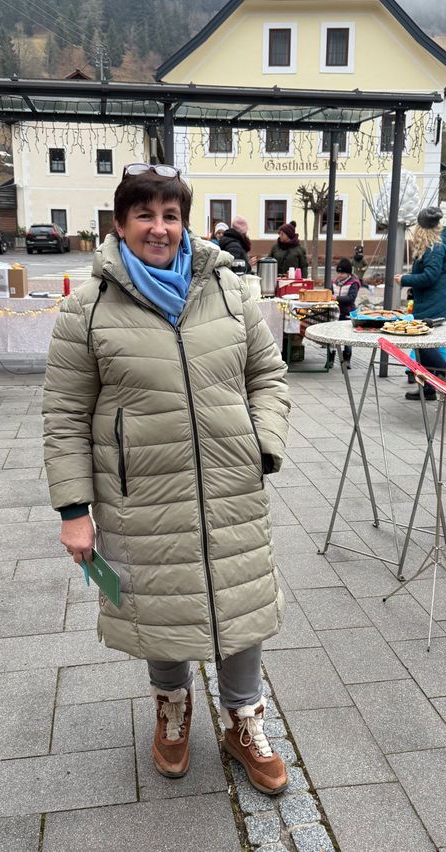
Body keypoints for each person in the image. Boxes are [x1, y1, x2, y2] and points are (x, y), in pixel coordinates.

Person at [42, 163, 291, 795]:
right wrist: (75, 510)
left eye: (171, 215)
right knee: (161, 602)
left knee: (238, 597)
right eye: (145, 215)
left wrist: (262, 444)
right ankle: (173, 709)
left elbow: (268, 373)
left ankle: (244, 720)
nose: (160, 228)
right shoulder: (88, 307)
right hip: (140, 491)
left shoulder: (230, 290)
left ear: (186, 222)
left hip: (230, 482)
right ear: (121, 225)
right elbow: (66, 413)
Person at [393, 207, 446, 400]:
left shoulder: (435, 247)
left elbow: (430, 276)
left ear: (422, 228)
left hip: (436, 301)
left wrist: (406, 279)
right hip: (430, 299)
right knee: (422, 345)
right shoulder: (434, 246)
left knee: (423, 343)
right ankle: (428, 388)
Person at [331, 258, 361, 367]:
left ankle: (346, 360)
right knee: (333, 337)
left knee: (347, 338)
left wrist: (336, 298)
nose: (340, 275)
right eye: (338, 272)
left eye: (342, 273)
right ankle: (331, 358)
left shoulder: (354, 283)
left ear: (348, 273)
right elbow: (330, 292)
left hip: (348, 313)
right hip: (335, 313)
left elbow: (351, 298)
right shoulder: (334, 282)